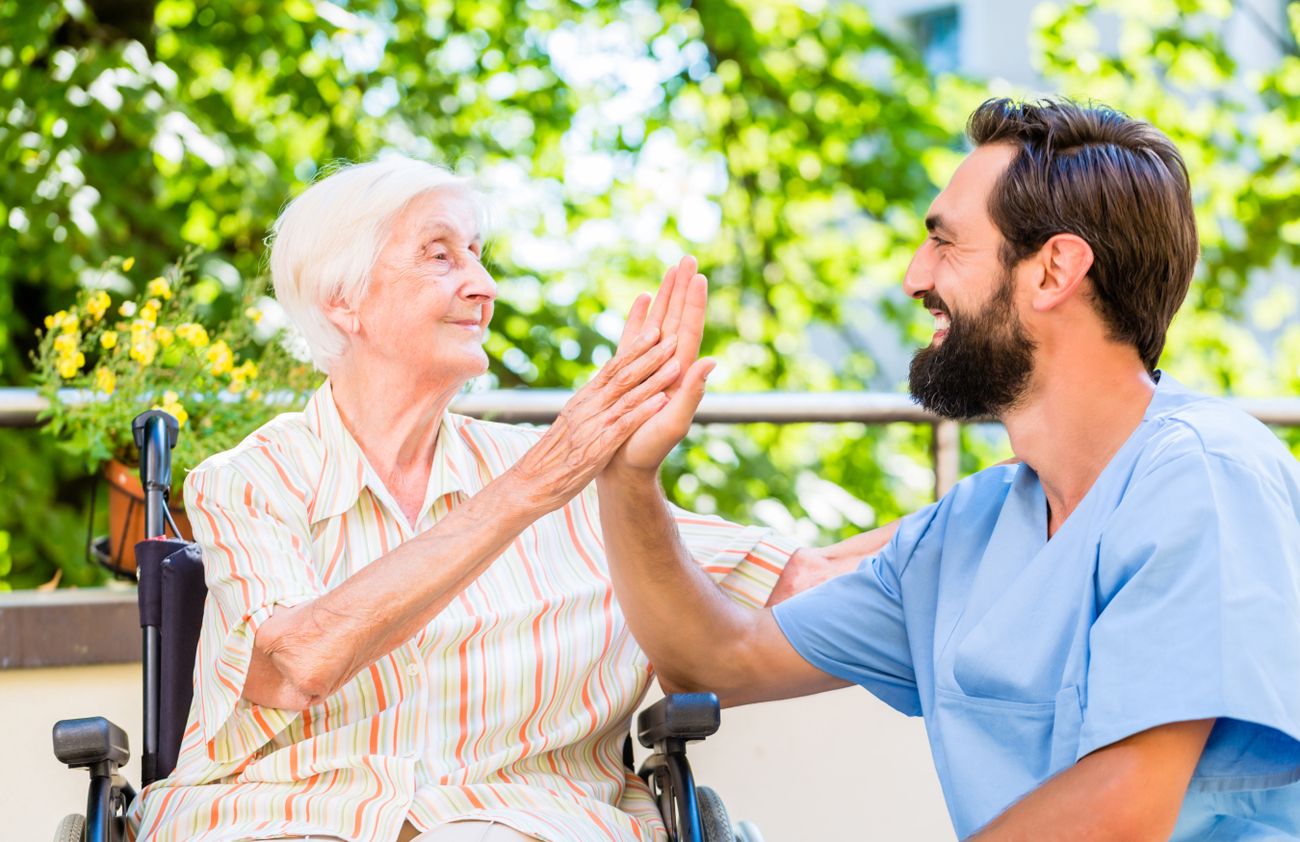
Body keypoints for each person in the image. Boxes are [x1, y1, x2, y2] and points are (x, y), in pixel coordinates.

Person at [597, 97, 1300, 840]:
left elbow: (1121, 813)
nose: (912, 276)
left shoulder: (1206, 474)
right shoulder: (970, 530)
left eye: (945, 244)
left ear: (1054, 269)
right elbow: (718, 660)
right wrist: (627, 477)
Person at [127, 158, 888, 842]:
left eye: (478, 255)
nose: (482, 285)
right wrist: (530, 490)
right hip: (283, 816)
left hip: (518, 819)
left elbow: (796, 578)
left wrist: (996, 501)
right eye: (440, 255)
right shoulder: (252, 479)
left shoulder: (578, 476)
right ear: (343, 301)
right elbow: (296, 663)